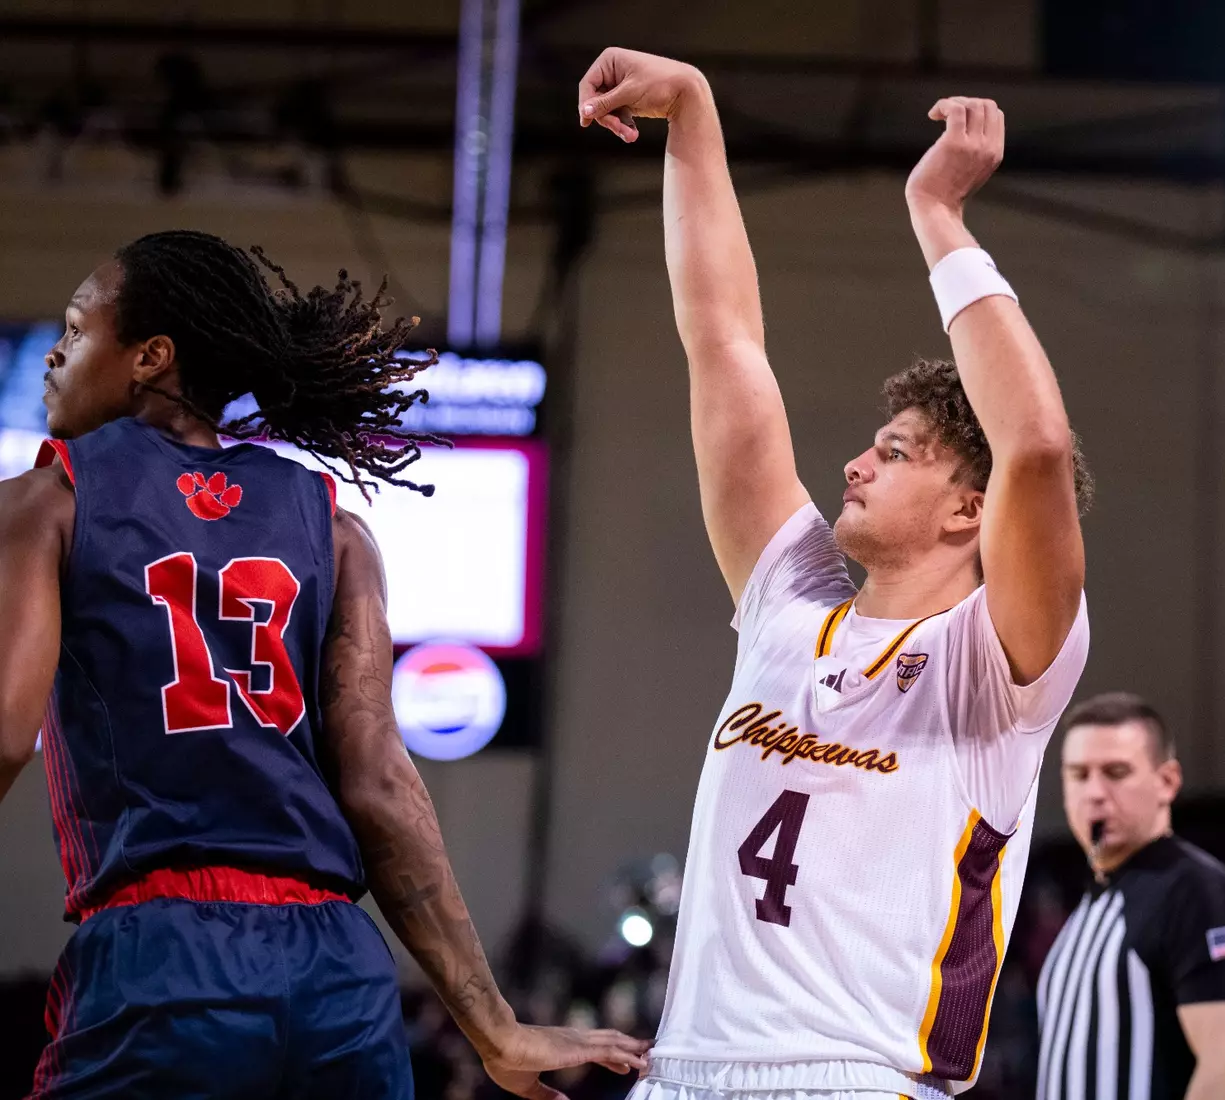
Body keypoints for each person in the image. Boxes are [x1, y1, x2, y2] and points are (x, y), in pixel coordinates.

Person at [0, 230, 649, 1099]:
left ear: (150, 357)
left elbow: (5, 732)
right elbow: (381, 784)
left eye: (77, 331)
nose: (54, 355)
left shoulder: (48, 498)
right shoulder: (334, 526)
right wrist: (493, 1025)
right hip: (339, 973)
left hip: (163, 955)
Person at [577, 48, 1093, 1100]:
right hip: (680, 1073)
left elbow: (1034, 445)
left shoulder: (999, 661)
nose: (856, 461)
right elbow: (722, 340)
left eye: (897, 451)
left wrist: (940, 218)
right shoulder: (789, 594)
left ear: (969, 510)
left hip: (860, 1078)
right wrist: (694, 117)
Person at [1037, 693, 1225, 1100]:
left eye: (1116, 772)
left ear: (1167, 782)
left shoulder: (1194, 888)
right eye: (1079, 774)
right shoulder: (1094, 902)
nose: (1096, 792)